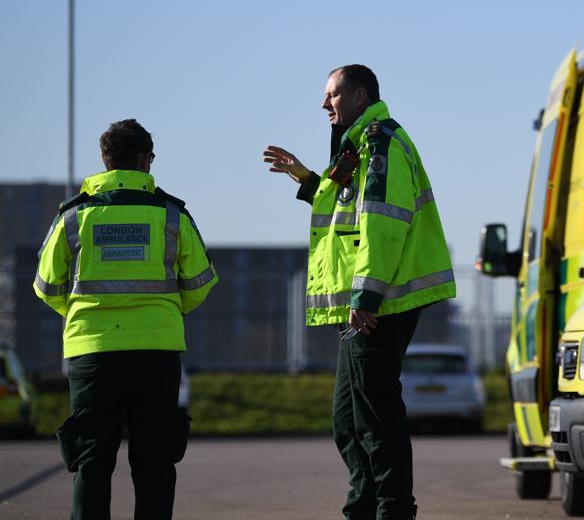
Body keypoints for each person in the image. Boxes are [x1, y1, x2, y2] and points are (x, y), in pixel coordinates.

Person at [263, 64, 455, 519]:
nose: (324, 104)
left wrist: (365, 299)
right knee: (349, 420)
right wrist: (307, 179)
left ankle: (391, 510)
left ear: (360, 96)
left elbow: (382, 225)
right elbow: (345, 205)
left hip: (380, 304)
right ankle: (364, 507)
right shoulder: (360, 145)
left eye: (332, 95)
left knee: (374, 416)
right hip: (370, 303)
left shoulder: (380, 143)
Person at [33, 119, 217, 520]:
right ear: (144, 159)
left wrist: (82, 314)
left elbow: (45, 285)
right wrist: (166, 311)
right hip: (157, 351)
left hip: (92, 353)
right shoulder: (172, 216)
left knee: (91, 461)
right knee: (154, 463)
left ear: (105, 160)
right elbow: (202, 282)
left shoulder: (73, 216)